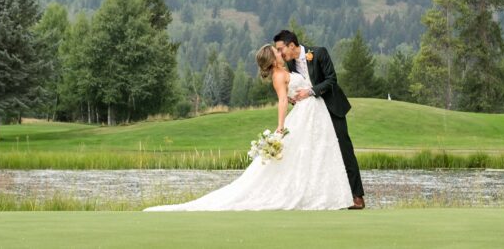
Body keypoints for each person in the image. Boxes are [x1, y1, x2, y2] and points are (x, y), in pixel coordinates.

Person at [144, 44, 353, 211]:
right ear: (272, 59)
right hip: (305, 115)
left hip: (312, 112)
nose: (280, 53)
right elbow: (282, 100)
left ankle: (322, 193)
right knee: (304, 154)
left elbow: (295, 91)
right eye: (276, 52)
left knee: (314, 154)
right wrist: (280, 127)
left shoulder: (284, 71)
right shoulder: (279, 76)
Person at [273, 29, 365, 210]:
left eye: (281, 49)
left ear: (292, 45)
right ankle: (327, 196)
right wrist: (293, 98)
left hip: (332, 109)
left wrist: (310, 91)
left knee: (344, 150)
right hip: (311, 116)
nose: (280, 53)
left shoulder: (319, 53)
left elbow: (332, 80)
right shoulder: (290, 66)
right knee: (317, 153)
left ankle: (357, 197)